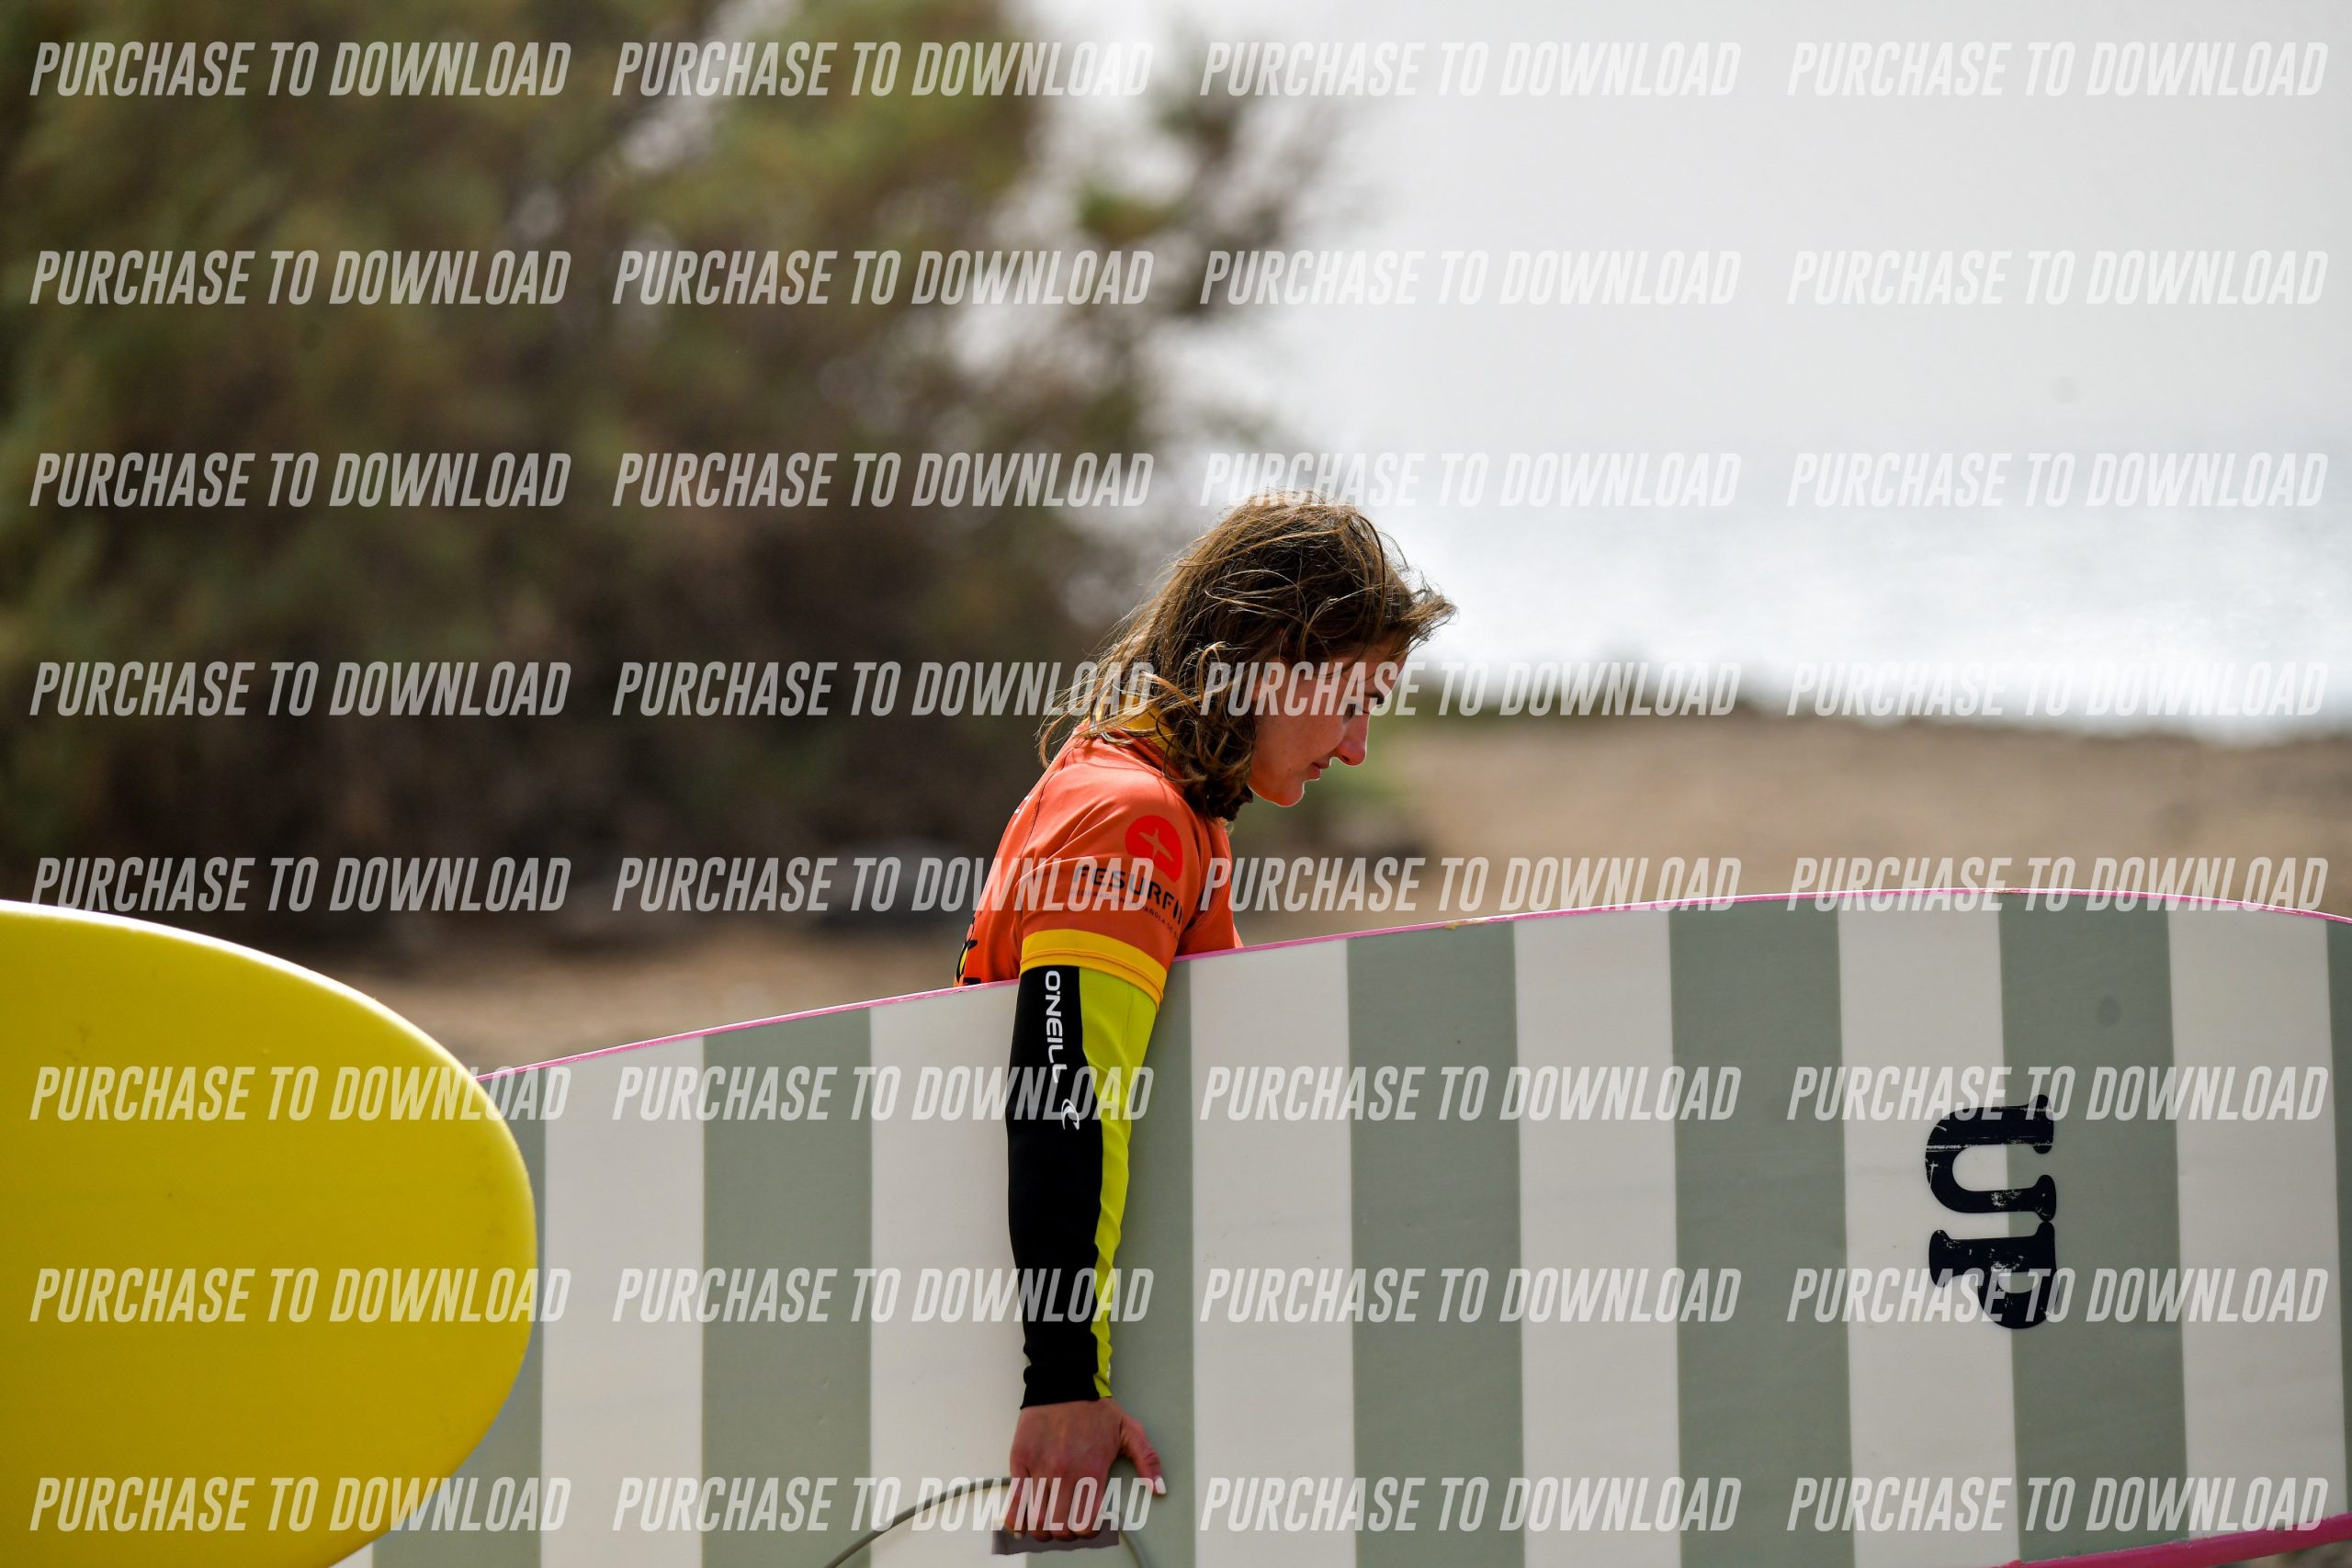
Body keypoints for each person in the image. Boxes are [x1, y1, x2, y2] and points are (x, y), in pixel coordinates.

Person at [953, 491, 1454, 1540]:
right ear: (1270, 662)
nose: (1357, 748)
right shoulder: (1130, 817)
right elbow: (1062, 1095)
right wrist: (1061, 1384)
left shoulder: (1170, 807)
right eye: (1352, 701)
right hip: (1048, 1372)